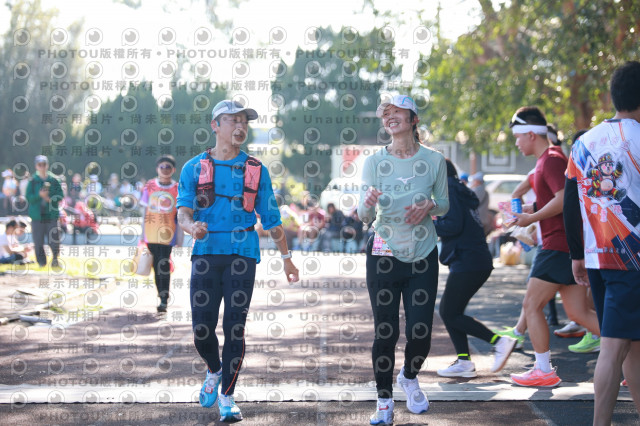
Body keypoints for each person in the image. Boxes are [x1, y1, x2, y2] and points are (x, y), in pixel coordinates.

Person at [177, 99, 299, 423]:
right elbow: (183, 212)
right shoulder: (193, 167)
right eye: (233, 120)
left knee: (235, 327)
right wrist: (191, 227)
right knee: (201, 329)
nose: (241, 126)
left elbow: (272, 220)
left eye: (244, 121)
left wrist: (287, 258)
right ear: (215, 126)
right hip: (205, 253)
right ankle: (214, 369)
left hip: (242, 254)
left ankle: (227, 396)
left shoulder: (256, 170)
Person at [358, 95, 449, 425]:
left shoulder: (434, 160)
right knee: (385, 332)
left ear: (413, 119)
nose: (390, 116)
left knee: (420, 331)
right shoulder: (373, 162)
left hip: (423, 254)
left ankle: (409, 376)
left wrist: (430, 205)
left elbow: (444, 204)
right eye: (386, 113)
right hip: (383, 253)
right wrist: (368, 202)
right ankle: (384, 401)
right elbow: (364, 215)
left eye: (397, 111)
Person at [564, 61, 640, 425]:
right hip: (632, 259)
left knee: (632, 347)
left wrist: (577, 254)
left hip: (598, 256)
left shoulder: (584, 142)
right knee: (612, 347)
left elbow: (570, 201)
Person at [504, 107, 601, 387]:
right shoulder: (549, 159)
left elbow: (563, 199)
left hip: (557, 245)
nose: (516, 143)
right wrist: (531, 209)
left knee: (531, 305)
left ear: (531, 134)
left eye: (517, 138)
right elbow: (557, 198)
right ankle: (632, 353)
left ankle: (544, 370)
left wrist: (532, 217)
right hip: (564, 246)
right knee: (578, 314)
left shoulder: (551, 160)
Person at [434, 159, 517, 378]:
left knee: (448, 312)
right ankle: (464, 361)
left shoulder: (449, 191)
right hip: (474, 259)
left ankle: (499, 342)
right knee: (452, 312)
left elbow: (453, 225)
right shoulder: (460, 189)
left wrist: (425, 223)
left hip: (468, 260)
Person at [139, 155, 182, 313]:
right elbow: (144, 210)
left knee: (163, 263)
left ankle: (164, 297)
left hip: (167, 234)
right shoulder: (150, 186)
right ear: (157, 169)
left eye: (168, 167)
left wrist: (180, 236)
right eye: (162, 167)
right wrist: (142, 233)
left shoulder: (177, 188)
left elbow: (180, 213)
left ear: (173, 170)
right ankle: (160, 294)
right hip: (151, 233)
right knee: (155, 265)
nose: (164, 170)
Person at [25, 155, 63, 268]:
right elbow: (28, 197)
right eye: (39, 165)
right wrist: (39, 195)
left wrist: (50, 199)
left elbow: (60, 195)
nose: (42, 167)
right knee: (38, 240)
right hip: (37, 216)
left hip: (51, 215)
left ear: (47, 165)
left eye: (44, 164)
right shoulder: (32, 181)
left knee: (54, 239)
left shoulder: (54, 180)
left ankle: (55, 259)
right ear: (36, 166)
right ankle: (41, 262)